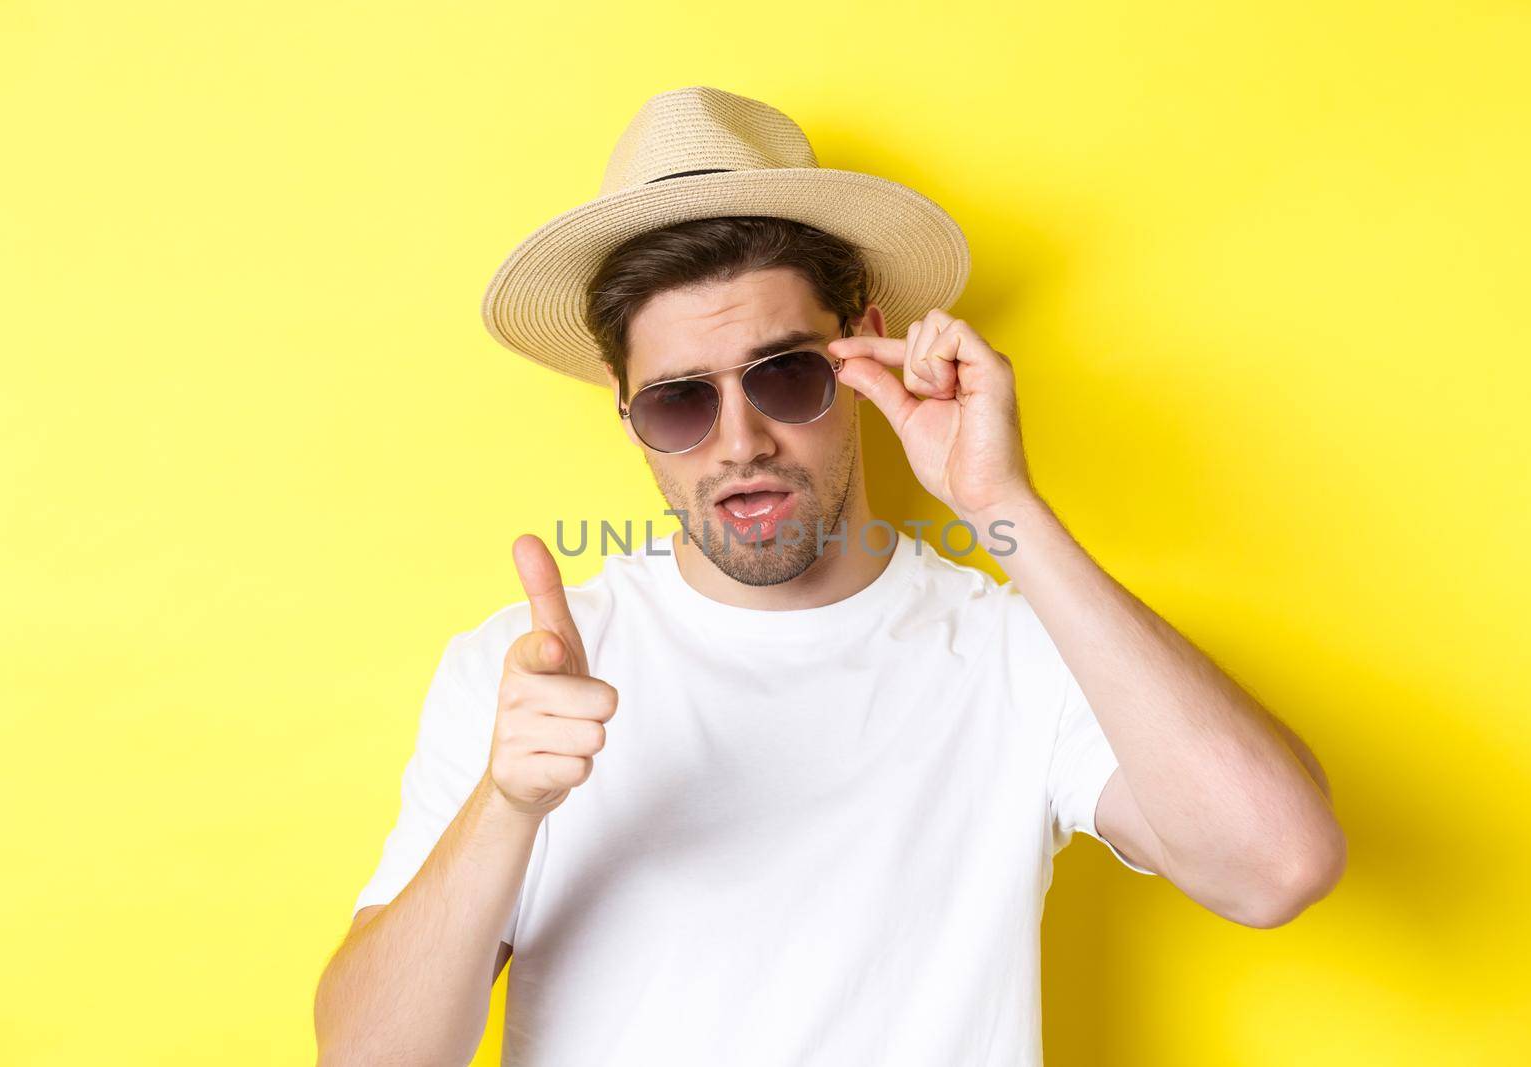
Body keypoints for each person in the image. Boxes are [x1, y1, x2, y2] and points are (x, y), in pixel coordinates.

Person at [313, 86, 1345, 1067]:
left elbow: (1276, 865)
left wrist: (1004, 507)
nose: (740, 439)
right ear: (626, 415)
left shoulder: (1014, 649)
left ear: (866, 352)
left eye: (785, 373)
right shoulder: (523, 676)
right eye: (679, 400)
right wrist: (507, 802)